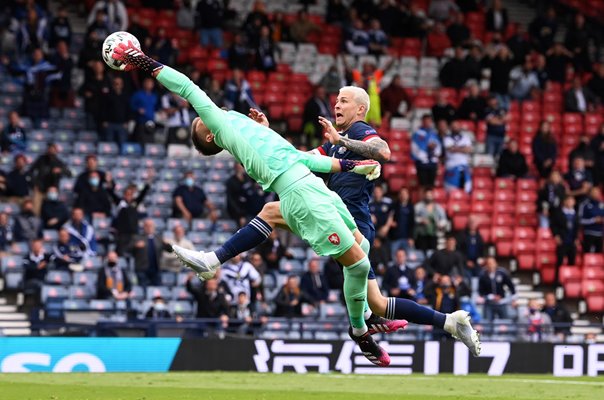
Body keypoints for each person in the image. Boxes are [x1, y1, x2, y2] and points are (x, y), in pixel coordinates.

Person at [112, 43, 408, 364]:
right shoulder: (223, 128)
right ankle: (360, 331)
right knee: (359, 264)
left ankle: (214, 259)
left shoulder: (252, 134)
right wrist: (142, 62)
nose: (212, 114)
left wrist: (353, 166)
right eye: (203, 121)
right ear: (211, 135)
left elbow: (300, 158)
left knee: (361, 247)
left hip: (313, 188)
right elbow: (186, 87)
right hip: (300, 194)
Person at [28, 142, 72, 214]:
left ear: (56, 150)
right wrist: (34, 184)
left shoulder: (58, 162)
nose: (51, 150)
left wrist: (60, 170)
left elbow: (69, 174)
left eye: (53, 149)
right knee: (36, 209)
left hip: (52, 190)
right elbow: (30, 171)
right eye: (50, 149)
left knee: (50, 210)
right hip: (40, 188)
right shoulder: (41, 159)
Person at [111, 181, 151, 256]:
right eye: (127, 194)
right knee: (120, 253)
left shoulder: (135, 203)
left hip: (134, 234)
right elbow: (111, 193)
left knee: (135, 253)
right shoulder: (120, 203)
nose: (129, 196)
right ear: (124, 195)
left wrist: (148, 183)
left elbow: (143, 194)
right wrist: (109, 183)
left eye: (130, 194)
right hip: (122, 234)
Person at [477, 256, 516, 321]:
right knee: (487, 324)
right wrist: (490, 297)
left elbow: (511, 286)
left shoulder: (502, 273)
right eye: (489, 263)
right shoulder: (482, 275)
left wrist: (513, 299)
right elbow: (481, 291)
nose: (491, 265)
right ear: (486, 265)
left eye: (492, 263)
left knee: (504, 323)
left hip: (501, 302)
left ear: (496, 263)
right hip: (489, 303)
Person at [133, 219, 169, 286]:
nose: (149, 228)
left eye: (151, 226)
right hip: (142, 269)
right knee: (143, 288)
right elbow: (128, 250)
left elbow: (169, 250)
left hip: (156, 269)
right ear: (144, 227)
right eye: (147, 226)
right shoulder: (138, 237)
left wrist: (167, 244)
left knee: (157, 290)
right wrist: (135, 246)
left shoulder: (159, 238)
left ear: (154, 227)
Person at [411, 114, 442, 189]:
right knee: (422, 185)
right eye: (426, 121)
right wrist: (427, 148)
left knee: (431, 185)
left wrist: (434, 150)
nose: (428, 123)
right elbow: (415, 147)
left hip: (432, 163)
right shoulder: (418, 133)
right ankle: (422, 200)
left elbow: (438, 147)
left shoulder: (434, 133)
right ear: (422, 122)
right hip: (422, 162)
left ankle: (431, 200)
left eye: (429, 121)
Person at [550, 196, 579, 271]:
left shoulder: (576, 214)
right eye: (568, 200)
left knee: (572, 262)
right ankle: (557, 280)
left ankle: (570, 279)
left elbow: (577, 228)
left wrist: (576, 238)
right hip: (562, 240)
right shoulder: (559, 213)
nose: (570, 202)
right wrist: (556, 235)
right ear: (564, 202)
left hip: (572, 241)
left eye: (572, 200)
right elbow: (553, 225)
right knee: (559, 262)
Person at [414, 189, 448, 253]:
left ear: (433, 196)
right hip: (422, 234)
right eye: (427, 195)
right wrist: (421, 220)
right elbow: (413, 218)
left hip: (433, 234)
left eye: (430, 195)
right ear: (424, 196)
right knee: (422, 253)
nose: (428, 197)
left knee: (433, 252)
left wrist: (440, 223)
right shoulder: (418, 206)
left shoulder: (438, 207)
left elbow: (444, 219)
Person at [443, 120, 473, 193]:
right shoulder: (447, 138)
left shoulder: (466, 138)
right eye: (453, 127)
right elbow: (450, 149)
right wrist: (462, 148)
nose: (455, 128)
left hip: (464, 167)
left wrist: (456, 148)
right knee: (452, 191)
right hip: (451, 167)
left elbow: (468, 150)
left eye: (456, 126)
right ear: (450, 128)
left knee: (466, 189)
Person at [130, 77, 158, 144]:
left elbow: (156, 107)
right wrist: (138, 109)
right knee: (141, 140)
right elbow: (131, 105)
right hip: (141, 122)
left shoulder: (154, 96)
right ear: (144, 84)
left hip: (151, 122)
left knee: (151, 141)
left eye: (151, 83)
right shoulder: (138, 94)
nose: (149, 84)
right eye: (147, 83)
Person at [23, 238, 52, 304]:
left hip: (43, 280)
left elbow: (55, 259)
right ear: (32, 247)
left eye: (38, 246)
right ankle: (41, 304)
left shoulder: (46, 257)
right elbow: (27, 267)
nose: (37, 247)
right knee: (40, 285)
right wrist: (37, 267)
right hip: (30, 281)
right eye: (35, 246)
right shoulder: (27, 257)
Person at [388, 187, 415, 255]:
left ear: (408, 195)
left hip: (407, 238)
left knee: (408, 258)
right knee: (394, 257)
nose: (403, 196)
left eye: (405, 194)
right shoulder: (393, 206)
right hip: (395, 238)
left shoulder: (411, 207)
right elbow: (387, 217)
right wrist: (390, 222)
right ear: (399, 195)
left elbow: (412, 224)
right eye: (402, 194)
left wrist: (411, 237)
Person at [578, 187, 604, 253]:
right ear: (590, 193)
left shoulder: (602, 204)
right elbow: (580, 220)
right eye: (594, 192)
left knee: (599, 256)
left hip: (600, 234)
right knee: (587, 254)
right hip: (588, 233)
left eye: (597, 192)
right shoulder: (584, 204)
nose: (596, 194)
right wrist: (593, 220)